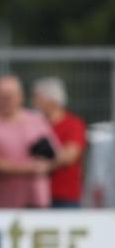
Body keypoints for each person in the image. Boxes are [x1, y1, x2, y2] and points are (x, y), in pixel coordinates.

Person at [0, 75, 60, 208]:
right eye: (3, 96)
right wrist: (28, 168)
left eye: (11, 95)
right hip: (4, 205)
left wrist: (47, 163)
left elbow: (55, 153)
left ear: (21, 96)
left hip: (38, 200)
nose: (8, 100)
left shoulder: (37, 121)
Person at [32, 77, 86, 208]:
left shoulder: (73, 124)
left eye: (38, 98)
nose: (34, 103)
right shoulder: (34, 124)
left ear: (51, 101)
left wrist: (44, 163)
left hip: (65, 197)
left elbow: (69, 156)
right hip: (36, 197)